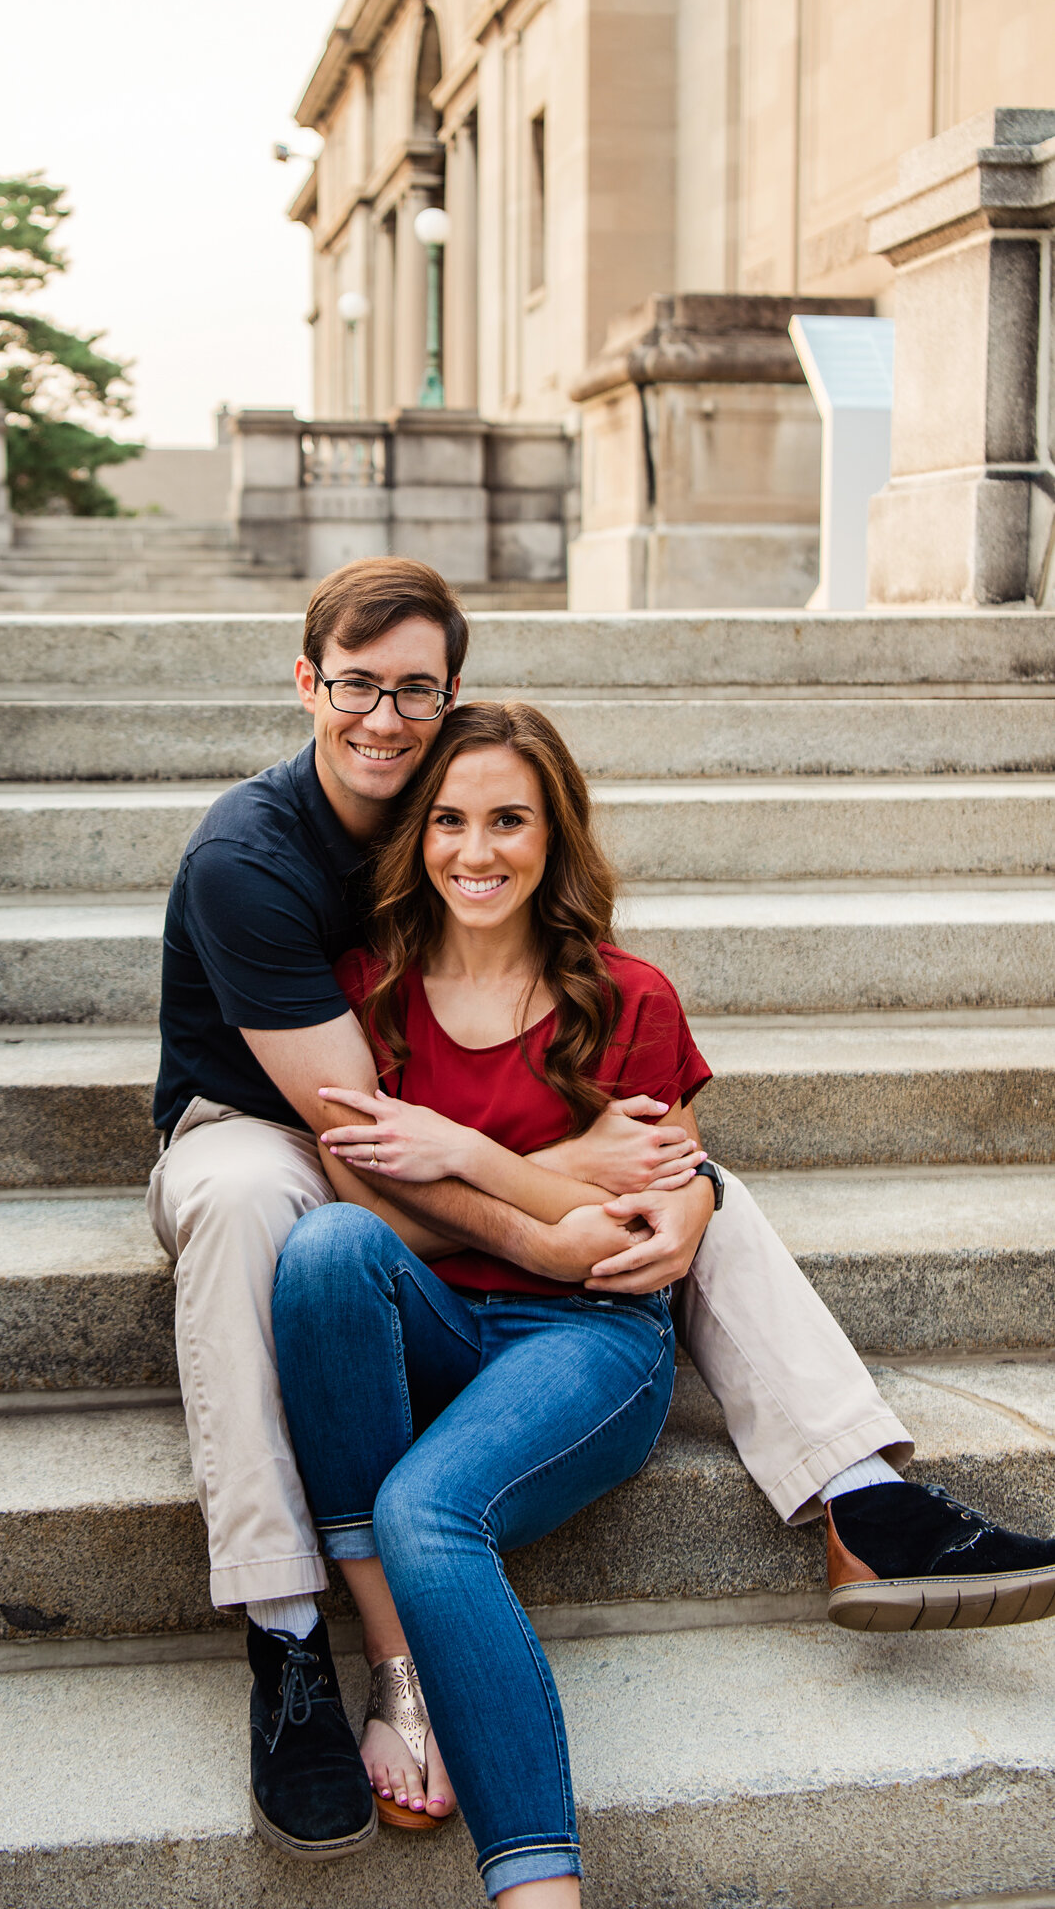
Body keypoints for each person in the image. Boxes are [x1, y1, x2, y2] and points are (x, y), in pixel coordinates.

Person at [146, 556, 1055, 1862]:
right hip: (277, 1126)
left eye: (416, 690)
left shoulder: (475, 833)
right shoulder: (254, 858)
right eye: (357, 686)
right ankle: (286, 1634)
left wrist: (675, 1203)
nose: (385, 719)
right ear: (309, 683)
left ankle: (860, 1492)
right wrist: (552, 1227)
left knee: (675, 1170)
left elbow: (593, 1116)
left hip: (438, 1139)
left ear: (453, 693)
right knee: (260, 1213)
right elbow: (366, 1154)